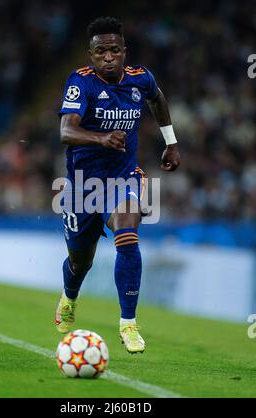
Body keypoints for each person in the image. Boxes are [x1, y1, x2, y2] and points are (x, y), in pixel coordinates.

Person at [55, 16, 180, 353]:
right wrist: (101, 138)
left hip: (124, 178)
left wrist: (170, 142)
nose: (107, 57)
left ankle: (128, 323)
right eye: (100, 52)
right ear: (90, 55)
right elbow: (66, 131)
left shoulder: (141, 78)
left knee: (128, 232)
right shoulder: (81, 83)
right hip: (83, 185)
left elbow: (158, 99)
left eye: (113, 50)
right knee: (80, 262)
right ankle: (69, 296)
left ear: (124, 51)